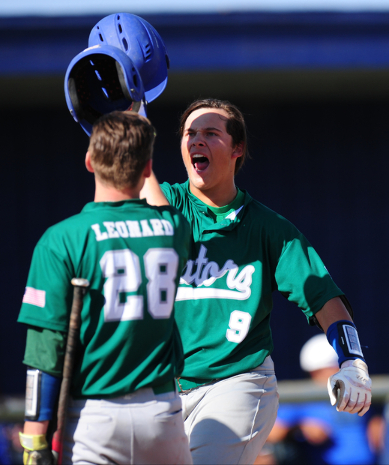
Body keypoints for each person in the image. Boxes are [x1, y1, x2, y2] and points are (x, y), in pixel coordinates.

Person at [140, 98, 372, 465]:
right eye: (190, 133)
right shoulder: (167, 201)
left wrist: (353, 361)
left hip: (237, 383)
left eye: (211, 133)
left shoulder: (268, 228)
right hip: (163, 390)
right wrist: (131, 117)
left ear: (238, 149)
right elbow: (143, 198)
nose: (197, 141)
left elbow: (323, 297)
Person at [17, 111, 193, 465]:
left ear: (88, 161)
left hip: (93, 418)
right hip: (163, 415)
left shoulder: (62, 238)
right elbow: (160, 207)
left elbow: (45, 350)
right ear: (147, 169)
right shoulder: (174, 228)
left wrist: (35, 436)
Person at [262, 334, 375, 465]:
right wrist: (300, 428)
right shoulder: (303, 398)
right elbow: (272, 433)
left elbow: (369, 428)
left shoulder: (355, 392)